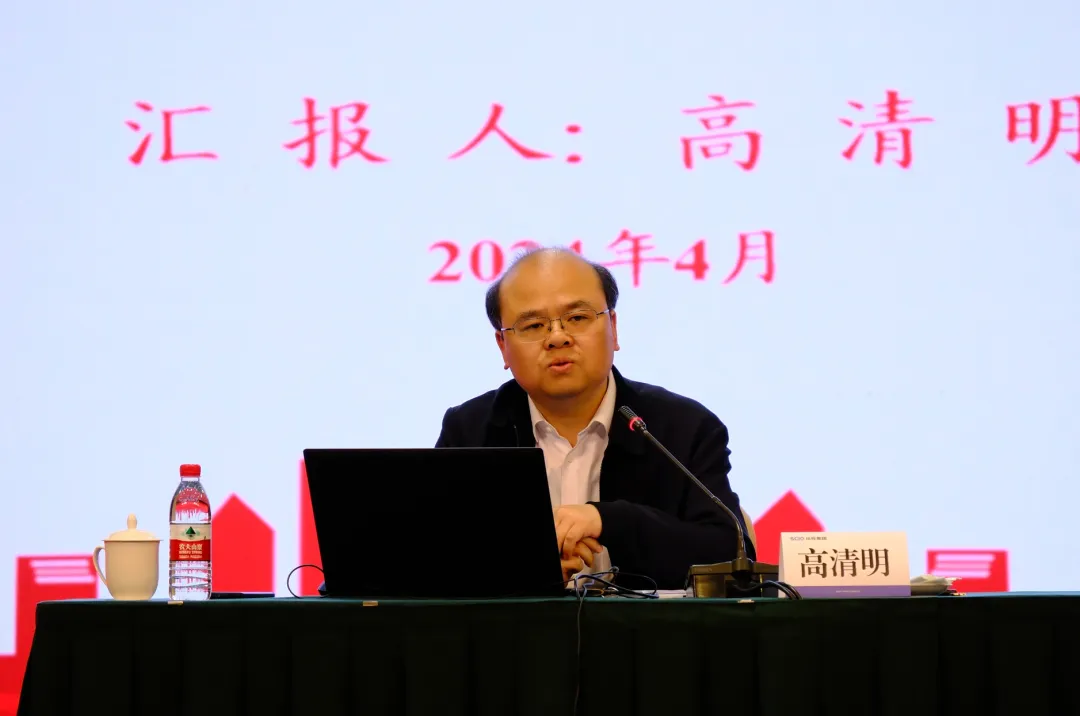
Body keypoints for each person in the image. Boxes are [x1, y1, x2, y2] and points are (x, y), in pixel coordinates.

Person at [434, 247, 754, 589]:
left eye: (577, 318)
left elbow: (731, 554)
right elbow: (429, 555)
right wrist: (526, 570)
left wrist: (609, 520)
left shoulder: (682, 428)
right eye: (534, 325)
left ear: (613, 327)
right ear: (503, 346)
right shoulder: (470, 431)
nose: (558, 337)